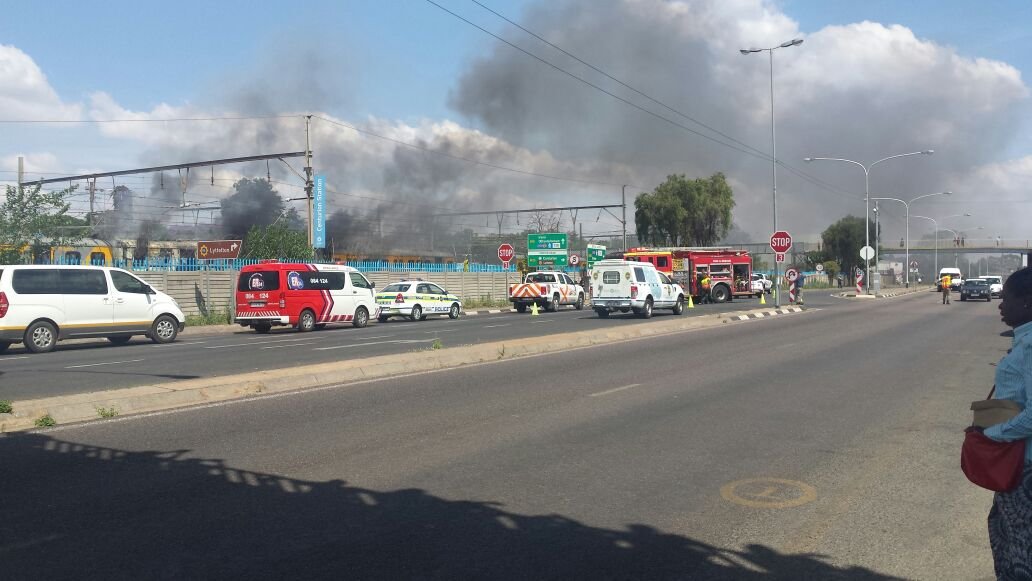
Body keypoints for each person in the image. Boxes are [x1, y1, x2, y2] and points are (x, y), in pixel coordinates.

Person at [982, 266, 1032, 577]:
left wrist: (994, 434)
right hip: (1017, 465)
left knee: (1021, 549)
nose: (1000, 304)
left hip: (1025, 467)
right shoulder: (1023, 340)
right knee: (1006, 534)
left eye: (1007, 298)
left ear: (1027, 301)